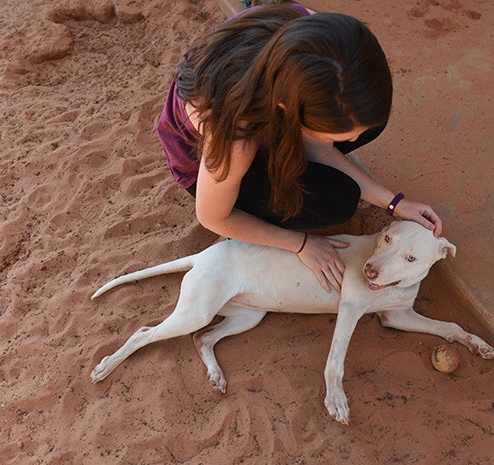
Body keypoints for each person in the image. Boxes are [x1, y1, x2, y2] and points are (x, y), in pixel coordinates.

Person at [156, 3, 443, 292]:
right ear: (289, 112)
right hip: (209, 169)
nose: (353, 142)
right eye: (338, 133)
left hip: (269, 120)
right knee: (338, 199)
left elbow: (319, 145)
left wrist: (395, 203)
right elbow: (213, 217)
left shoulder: (311, 29)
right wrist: (301, 243)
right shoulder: (234, 135)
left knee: (369, 120)